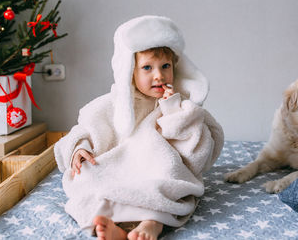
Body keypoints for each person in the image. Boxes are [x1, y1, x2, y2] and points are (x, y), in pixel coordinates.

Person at [54, 15, 224, 240]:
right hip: (119, 167)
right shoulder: (113, 103)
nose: (159, 75)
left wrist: (173, 112)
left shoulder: (182, 105)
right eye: (147, 67)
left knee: (166, 179)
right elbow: (86, 128)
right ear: (130, 71)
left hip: (156, 167)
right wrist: (79, 148)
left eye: (165, 66)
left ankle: (151, 223)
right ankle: (110, 225)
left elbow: (197, 153)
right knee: (86, 176)